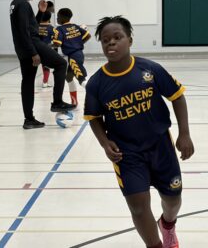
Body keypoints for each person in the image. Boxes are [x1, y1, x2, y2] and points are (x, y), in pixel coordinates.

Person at [83, 16, 194, 248]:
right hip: (126, 154)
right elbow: (94, 118)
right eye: (105, 40)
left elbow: (177, 96)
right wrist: (104, 143)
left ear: (130, 40)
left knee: (172, 200)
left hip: (160, 146)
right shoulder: (96, 84)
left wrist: (184, 134)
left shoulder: (150, 69)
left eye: (117, 38)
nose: (111, 43)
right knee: (137, 206)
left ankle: (168, 225)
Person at [10, 0, 75, 130]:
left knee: (27, 81)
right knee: (61, 63)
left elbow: (30, 25)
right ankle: (57, 101)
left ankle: (29, 120)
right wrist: (33, 52)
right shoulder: (23, 4)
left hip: (21, 48)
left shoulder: (16, 3)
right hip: (32, 45)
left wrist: (40, 11)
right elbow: (24, 31)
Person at [53, 8, 91, 106]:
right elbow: (88, 35)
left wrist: (45, 46)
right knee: (69, 77)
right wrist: (77, 43)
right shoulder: (75, 26)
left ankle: (99, 95)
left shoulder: (59, 29)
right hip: (78, 54)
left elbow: (57, 44)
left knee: (81, 79)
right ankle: (74, 102)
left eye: (58, 16)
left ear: (62, 17)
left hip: (73, 57)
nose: (57, 18)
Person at [37, 0, 55, 87]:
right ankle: (45, 82)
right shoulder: (51, 27)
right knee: (46, 66)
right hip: (46, 49)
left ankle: (43, 82)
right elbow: (55, 37)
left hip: (37, 49)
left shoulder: (36, 26)